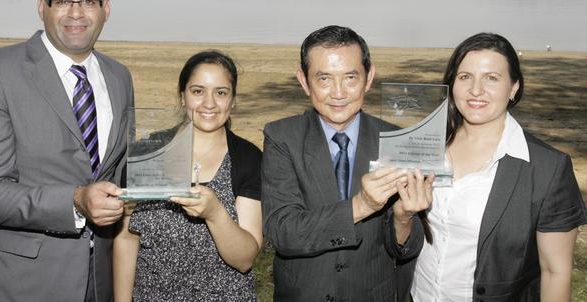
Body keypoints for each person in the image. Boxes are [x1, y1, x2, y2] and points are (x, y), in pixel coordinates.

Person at [0, 0, 133, 301]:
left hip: (104, 278)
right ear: (42, 7)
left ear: (105, 8)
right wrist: (75, 200)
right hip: (26, 281)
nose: (76, 13)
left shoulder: (119, 77)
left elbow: (120, 172)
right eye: (62, 1)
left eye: (88, 1)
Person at [261, 25, 434, 302]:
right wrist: (362, 205)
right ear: (304, 81)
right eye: (324, 79)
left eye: (350, 77)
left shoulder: (396, 141)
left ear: (369, 77)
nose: (338, 93)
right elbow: (283, 231)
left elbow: (406, 250)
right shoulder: (282, 137)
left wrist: (404, 217)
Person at [410, 33, 587, 301]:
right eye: (465, 76)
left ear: (514, 87)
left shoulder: (547, 169)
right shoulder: (423, 147)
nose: (476, 90)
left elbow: (555, 272)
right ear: (452, 83)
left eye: (491, 78)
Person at [113, 50, 263, 301]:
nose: (209, 103)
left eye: (221, 92)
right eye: (197, 91)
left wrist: (215, 214)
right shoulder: (150, 150)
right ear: (182, 97)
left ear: (233, 100)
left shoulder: (248, 159)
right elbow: (127, 239)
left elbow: (245, 260)